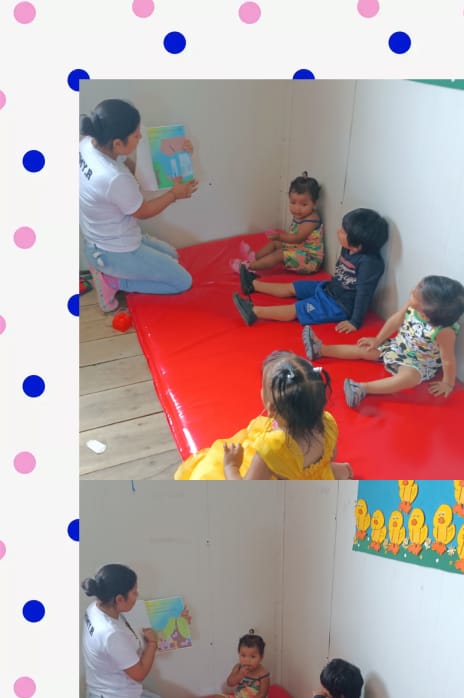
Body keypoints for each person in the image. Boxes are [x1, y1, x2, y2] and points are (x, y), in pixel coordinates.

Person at [79, 98, 197, 312]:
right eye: (135, 135)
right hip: (114, 249)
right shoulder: (113, 178)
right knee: (183, 282)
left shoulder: (90, 143)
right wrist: (174, 194)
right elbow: (142, 211)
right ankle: (113, 281)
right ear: (117, 143)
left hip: (101, 238)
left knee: (173, 256)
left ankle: (109, 268)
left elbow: (135, 172)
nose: (140, 137)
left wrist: (181, 155)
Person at [174, 351, 353, 480]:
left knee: (205, 474)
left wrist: (231, 466)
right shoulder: (328, 422)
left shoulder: (272, 449)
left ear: (271, 408)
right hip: (317, 479)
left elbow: (247, 495)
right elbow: (331, 455)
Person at [301, 276, 464, 409]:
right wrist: (377, 340)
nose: (412, 291)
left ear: (425, 313)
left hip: (418, 363)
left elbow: (448, 360)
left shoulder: (444, 331)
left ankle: (362, 389)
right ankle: (321, 349)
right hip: (396, 346)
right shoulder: (413, 306)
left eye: (415, 294)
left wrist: (448, 383)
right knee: (364, 349)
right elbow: (395, 320)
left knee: (408, 378)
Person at [81, 564, 188, 698]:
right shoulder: (111, 634)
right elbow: (139, 674)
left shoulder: (95, 608)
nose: (137, 595)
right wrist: (152, 644)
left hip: (100, 693)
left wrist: (176, 618)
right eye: (134, 592)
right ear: (119, 599)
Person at [233, 208, 388, 334]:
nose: (338, 231)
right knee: (294, 286)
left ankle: (254, 312)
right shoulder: (348, 248)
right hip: (329, 288)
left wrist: (355, 322)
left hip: (338, 305)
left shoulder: (370, 264)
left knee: (297, 309)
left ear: (358, 245)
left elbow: (364, 294)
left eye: (343, 231)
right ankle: (252, 285)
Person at [230, 172, 324, 275]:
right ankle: (253, 257)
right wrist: (279, 239)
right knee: (275, 244)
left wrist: (279, 236)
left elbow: (297, 238)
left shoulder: (311, 219)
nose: (297, 208)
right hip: (298, 248)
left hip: (309, 260)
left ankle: (248, 267)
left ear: (314, 204)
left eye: (304, 204)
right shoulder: (302, 214)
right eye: (293, 202)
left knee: (280, 253)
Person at [214, 630, 271, 698]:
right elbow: (230, 683)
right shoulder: (238, 667)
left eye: (252, 657)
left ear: (261, 657)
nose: (247, 660)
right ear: (239, 654)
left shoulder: (263, 673)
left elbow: (262, 694)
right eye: (243, 655)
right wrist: (240, 675)